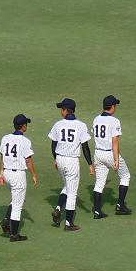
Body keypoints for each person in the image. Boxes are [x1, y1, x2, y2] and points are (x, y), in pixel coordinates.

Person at [49, 98, 94, 231]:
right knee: (72, 193)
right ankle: (68, 223)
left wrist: (55, 159)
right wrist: (90, 164)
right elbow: (85, 147)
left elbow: (53, 144)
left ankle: (58, 208)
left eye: (61, 109)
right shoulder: (81, 125)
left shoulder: (58, 124)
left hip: (60, 159)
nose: (60, 111)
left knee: (67, 187)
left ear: (66, 110)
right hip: (72, 162)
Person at [0, 114, 37, 242]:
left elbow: (2, 157)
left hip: (7, 173)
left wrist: (1, 173)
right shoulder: (25, 141)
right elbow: (28, 161)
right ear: (23, 126)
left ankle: (6, 219)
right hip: (18, 175)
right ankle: (14, 234)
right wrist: (33, 175)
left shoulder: (5, 138)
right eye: (26, 124)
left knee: (15, 200)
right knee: (18, 205)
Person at [91, 95, 132, 218]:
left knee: (99, 182)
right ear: (112, 106)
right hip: (110, 153)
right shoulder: (114, 121)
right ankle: (120, 205)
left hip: (98, 153)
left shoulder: (96, 119)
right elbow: (115, 141)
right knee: (125, 176)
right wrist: (116, 159)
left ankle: (97, 211)